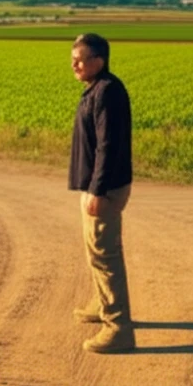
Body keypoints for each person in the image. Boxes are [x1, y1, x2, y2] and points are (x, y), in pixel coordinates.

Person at [68, 33, 135, 354]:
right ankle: (100, 304)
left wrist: (98, 190)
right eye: (73, 59)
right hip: (97, 186)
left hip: (105, 189)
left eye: (80, 59)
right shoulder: (98, 88)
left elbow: (108, 145)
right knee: (96, 252)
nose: (74, 64)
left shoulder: (107, 92)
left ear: (100, 60)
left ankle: (118, 328)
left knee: (106, 257)